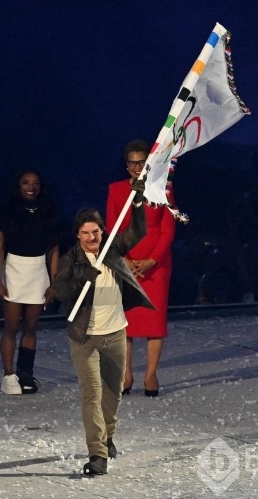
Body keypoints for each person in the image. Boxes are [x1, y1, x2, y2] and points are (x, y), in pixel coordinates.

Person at [54, 179, 153, 476]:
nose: (90, 238)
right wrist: (85, 278)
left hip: (115, 334)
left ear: (101, 231)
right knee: (92, 394)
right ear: (77, 235)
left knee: (114, 392)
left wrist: (137, 201)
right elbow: (59, 290)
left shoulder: (111, 247)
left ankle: (108, 435)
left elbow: (139, 232)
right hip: (85, 338)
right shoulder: (71, 259)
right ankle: (97, 453)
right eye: (84, 234)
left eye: (94, 232)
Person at [106, 139, 175, 397]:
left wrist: (153, 260)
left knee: (154, 322)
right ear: (126, 165)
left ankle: (151, 374)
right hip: (126, 263)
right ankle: (125, 374)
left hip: (156, 266)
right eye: (132, 162)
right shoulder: (115, 190)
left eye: (141, 162)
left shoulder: (163, 188)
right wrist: (123, 259)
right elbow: (112, 228)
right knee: (126, 322)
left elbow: (168, 228)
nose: (137, 167)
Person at [0, 170, 59, 395]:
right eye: (25, 182)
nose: (31, 187)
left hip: (38, 269)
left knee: (31, 326)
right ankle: (8, 375)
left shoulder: (47, 210)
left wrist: (54, 282)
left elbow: (53, 249)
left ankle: (25, 373)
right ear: (18, 185)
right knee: (11, 325)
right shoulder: (6, 210)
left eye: (35, 183)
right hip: (14, 268)